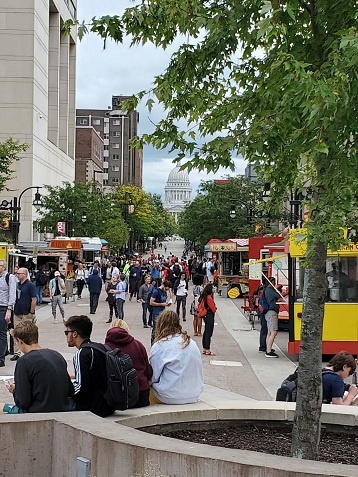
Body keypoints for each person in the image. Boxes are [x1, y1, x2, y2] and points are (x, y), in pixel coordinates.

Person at [1, 321, 73, 414]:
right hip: (62, 408)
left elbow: (23, 403)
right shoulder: (56, 355)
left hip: (38, 412)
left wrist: (15, 391)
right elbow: (70, 390)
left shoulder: (24, 361)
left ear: (20, 341)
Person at [64, 314, 114, 417]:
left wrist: (66, 386)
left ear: (74, 334)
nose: (66, 336)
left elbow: (80, 390)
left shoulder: (81, 354)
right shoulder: (101, 348)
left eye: (67, 332)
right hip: (108, 405)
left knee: (53, 405)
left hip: (92, 407)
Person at [149, 310, 203, 404]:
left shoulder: (160, 346)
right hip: (193, 394)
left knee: (143, 391)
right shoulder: (191, 343)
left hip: (168, 396)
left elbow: (152, 376)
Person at [105, 319, 152, 408]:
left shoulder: (106, 348)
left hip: (117, 396)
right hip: (141, 393)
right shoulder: (138, 345)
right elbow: (148, 372)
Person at [11, 267, 37, 361]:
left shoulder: (30, 285)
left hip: (26, 313)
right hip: (17, 312)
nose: (17, 275)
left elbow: (33, 299)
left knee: (27, 332)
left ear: (24, 274)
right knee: (16, 333)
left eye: (19, 273)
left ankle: (29, 350)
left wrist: (31, 311)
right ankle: (17, 352)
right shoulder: (18, 285)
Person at [0, 260, 16, 367]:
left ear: (4, 267)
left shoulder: (9, 277)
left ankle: (1, 358)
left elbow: (12, 293)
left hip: (4, 307)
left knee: (2, 332)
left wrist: (9, 309)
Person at [263, 277, 281, 358]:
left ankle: (268, 348)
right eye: (274, 282)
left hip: (268, 312)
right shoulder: (270, 290)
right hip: (271, 312)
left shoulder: (266, 290)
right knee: (273, 332)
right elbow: (279, 295)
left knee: (270, 332)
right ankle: (268, 351)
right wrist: (287, 292)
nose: (274, 284)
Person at [199, 283, 217, 356]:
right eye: (213, 288)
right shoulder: (209, 298)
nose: (214, 290)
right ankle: (207, 349)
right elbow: (213, 309)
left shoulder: (205, 297)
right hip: (210, 315)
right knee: (209, 333)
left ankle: (204, 348)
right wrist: (215, 308)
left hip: (206, 316)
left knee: (206, 332)